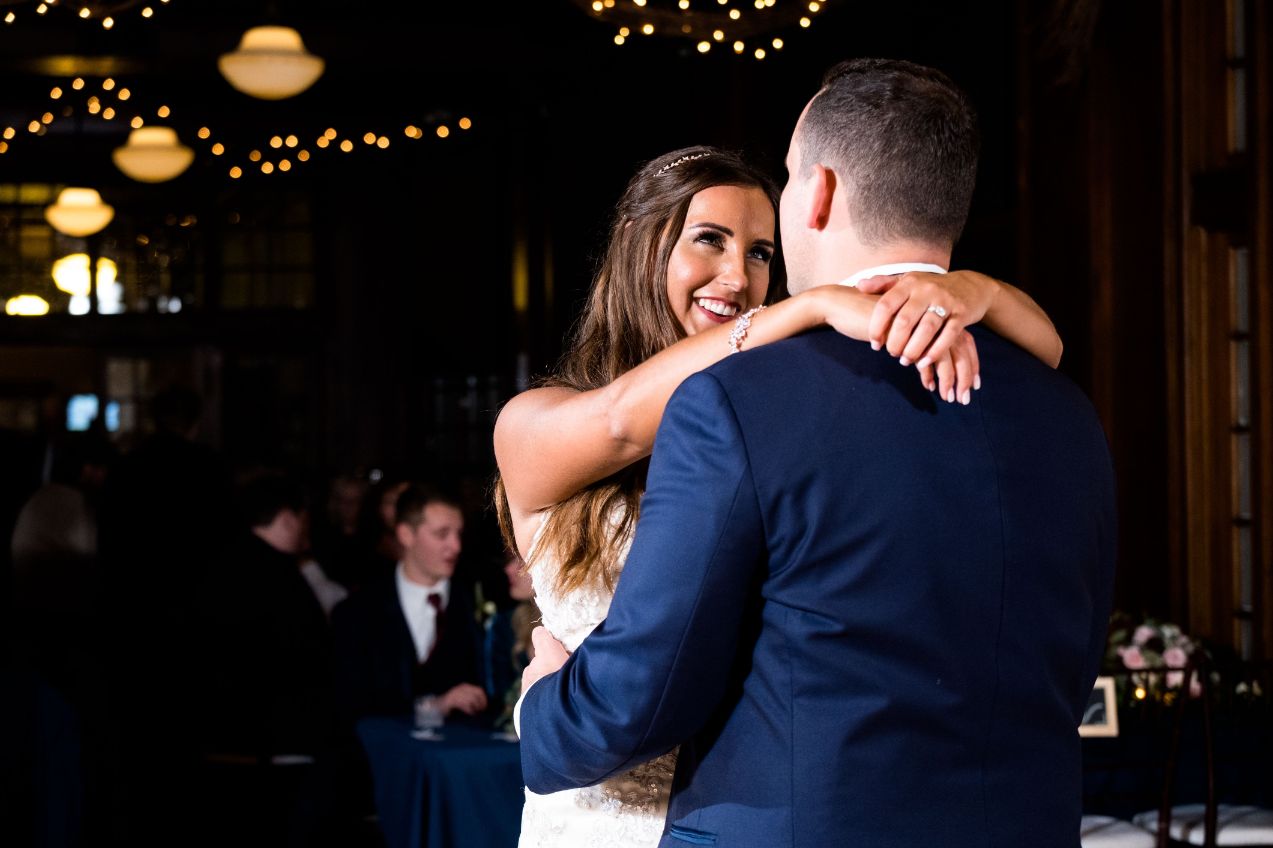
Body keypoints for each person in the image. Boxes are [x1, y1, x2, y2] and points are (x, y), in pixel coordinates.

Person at [515, 58, 1116, 848]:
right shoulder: (1065, 412)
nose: (742, 271)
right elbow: (1065, 679)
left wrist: (543, 708)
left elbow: (639, 694)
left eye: (786, 186)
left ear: (819, 190)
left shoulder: (739, 404)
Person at [329, 484, 487, 725]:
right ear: (406, 535)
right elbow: (347, 704)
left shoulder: (475, 600)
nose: (456, 546)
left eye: (459, 534)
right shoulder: (356, 612)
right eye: (442, 534)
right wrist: (433, 706)